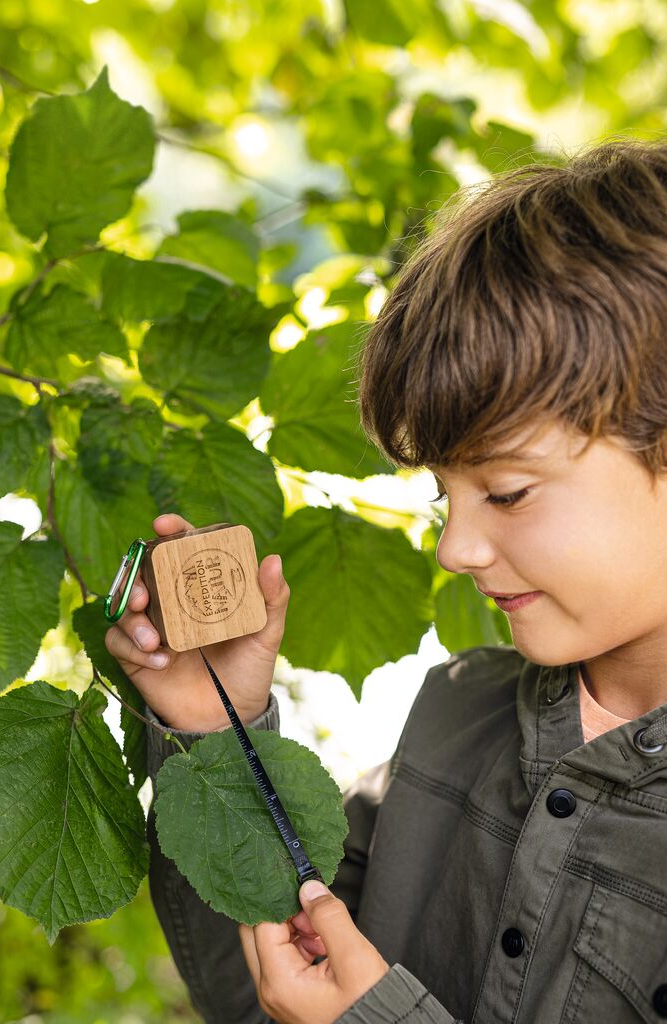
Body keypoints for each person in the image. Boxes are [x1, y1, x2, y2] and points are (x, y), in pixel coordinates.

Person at [104, 135, 667, 1024]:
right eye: (447, 495)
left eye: (508, 492)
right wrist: (217, 731)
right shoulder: (454, 719)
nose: (455, 548)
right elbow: (263, 993)